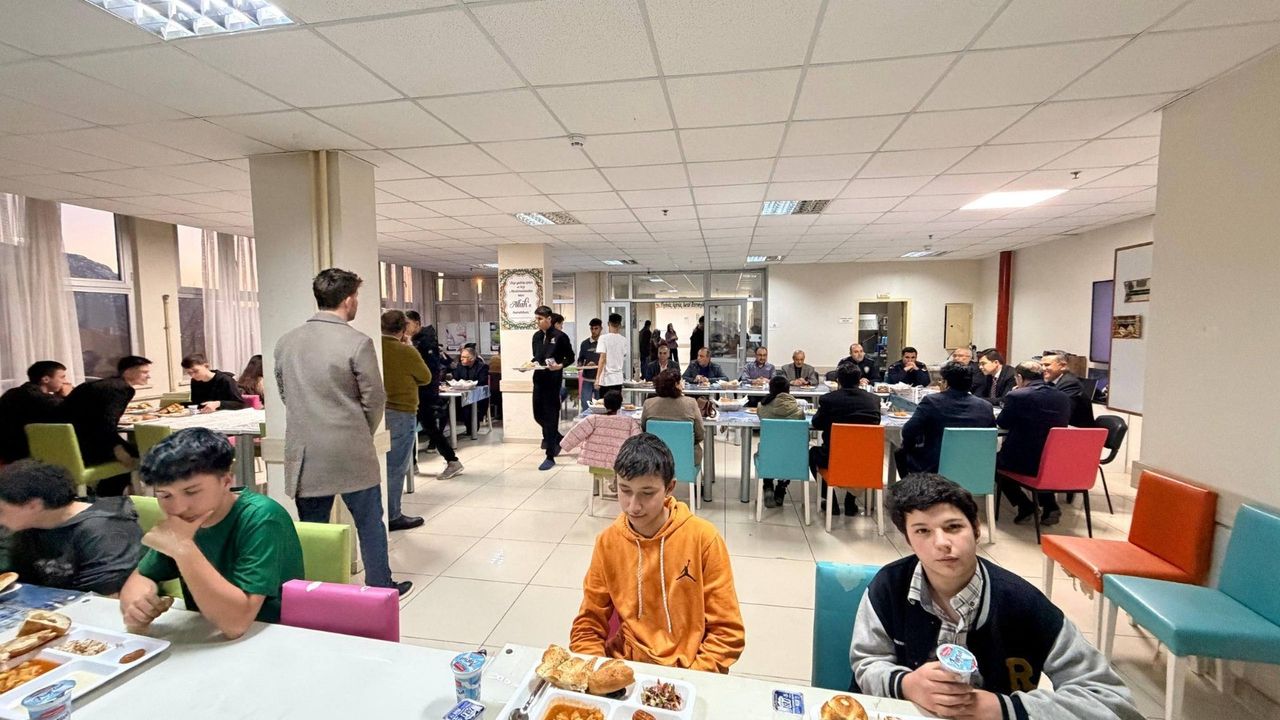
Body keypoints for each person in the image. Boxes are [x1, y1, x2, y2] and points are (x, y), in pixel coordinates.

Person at [850, 474, 1142, 720]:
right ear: (908, 540)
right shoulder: (889, 587)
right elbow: (867, 661)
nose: (942, 543)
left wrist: (1005, 708)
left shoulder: (1023, 604)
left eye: (953, 527)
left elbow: (1110, 700)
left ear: (976, 529)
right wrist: (906, 684)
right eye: (923, 531)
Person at [274, 268, 409, 596]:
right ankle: (379, 585)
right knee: (369, 522)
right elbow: (374, 398)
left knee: (312, 530)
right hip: (350, 449)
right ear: (348, 300)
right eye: (357, 296)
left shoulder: (286, 342)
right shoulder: (357, 342)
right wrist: (359, 429)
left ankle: (314, 591)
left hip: (305, 452)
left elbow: (284, 392)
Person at [569, 433, 744, 672]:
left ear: (669, 488)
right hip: (626, 667)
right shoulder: (608, 542)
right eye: (625, 490)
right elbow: (588, 625)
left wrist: (690, 679)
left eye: (647, 493)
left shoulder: (703, 539)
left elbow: (728, 632)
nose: (633, 506)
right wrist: (599, 673)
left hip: (691, 668)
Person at [119, 429, 305, 638]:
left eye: (191, 492)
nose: (179, 507)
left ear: (226, 481)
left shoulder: (261, 518)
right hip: (207, 633)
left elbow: (236, 624)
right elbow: (141, 577)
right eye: (165, 495)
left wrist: (183, 549)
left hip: (270, 635)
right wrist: (137, 605)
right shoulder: (183, 524)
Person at [0, 459, 142, 595]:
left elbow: (105, 599)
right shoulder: (27, 526)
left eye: (1, 511)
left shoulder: (105, 532)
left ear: (33, 506)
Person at [60, 355, 152, 494]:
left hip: (67, 445)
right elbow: (106, 422)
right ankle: (112, 496)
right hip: (87, 447)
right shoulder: (121, 389)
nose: (148, 376)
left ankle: (111, 494)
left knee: (130, 450)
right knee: (141, 454)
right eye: (144, 372)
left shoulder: (100, 384)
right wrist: (117, 448)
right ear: (128, 372)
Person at [996, 361, 1072, 526]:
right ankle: (1050, 506)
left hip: (1022, 459)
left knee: (993, 465)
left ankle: (1025, 506)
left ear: (1019, 377)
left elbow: (1003, 422)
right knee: (1038, 465)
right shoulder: (1062, 397)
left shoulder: (1017, 396)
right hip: (1053, 459)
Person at [895, 361, 997, 477]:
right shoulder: (986, 407)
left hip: (934, 467)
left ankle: (911, 487)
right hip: (974, 467)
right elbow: (990, 437)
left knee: (900, 452)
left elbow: (908, 431)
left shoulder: (931, 401)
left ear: (946, 382)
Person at [380, 310, 429, 532]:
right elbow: (425, 377)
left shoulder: (372, 347)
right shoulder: (405, 351)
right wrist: (408, 346)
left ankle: (380, 513)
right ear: (403, 329)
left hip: (377, 412)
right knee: (395, 466)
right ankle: (393, 515)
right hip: (401, 411)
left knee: (379, 465)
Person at [810, 364, 881, 516]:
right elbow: (876, 423)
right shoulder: (873, 400)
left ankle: (831, 501)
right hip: (865, 460)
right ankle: (850, 501)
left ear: (838, 380)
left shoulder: (829, 400)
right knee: (857, 453)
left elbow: (817, 423)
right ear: (859, 380)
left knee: (813, 454)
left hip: (834, 457)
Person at [559, 391, 640, 488]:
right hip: (618, 463)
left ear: (604, 404)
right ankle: (615, 486)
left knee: (597, 474)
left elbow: (577, 432)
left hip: (595, 462)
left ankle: (597, 490)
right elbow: (638, 439)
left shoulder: (594, 419)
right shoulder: (629, 421)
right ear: (620, 405)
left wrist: (565, 445)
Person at [410, 324, 462, 473]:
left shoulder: (424, 345)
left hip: (423, 395)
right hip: (421, 394)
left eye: (408, 324)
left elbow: (428, 374)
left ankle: (451, 460)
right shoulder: (421, 344)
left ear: (416, 323)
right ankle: (412, 464)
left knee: (426, 428)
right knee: (420, 429)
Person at [0, 361, 71, 464]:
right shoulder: (40, 399)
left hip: (7, 451)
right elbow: (67, 414)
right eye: (62, 377)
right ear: (45, 379)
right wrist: (67, 396)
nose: (65, 381)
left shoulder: (12, 393)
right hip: (27, 455)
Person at [532, 305, 575, 471]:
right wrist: (529, 364)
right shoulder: (536, 337)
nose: (537, 322)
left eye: (540, 319)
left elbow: (570, 357)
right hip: (538, 380)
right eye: (536, 319)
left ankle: (550, 456)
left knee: (551, 417)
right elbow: (537, 357)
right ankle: (557, 437)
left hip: (552, 381)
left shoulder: (560, 336)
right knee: (538, 415)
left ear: (549, 319)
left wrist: (560, 366)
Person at [640, 369, 704, 468]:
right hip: (687, 458)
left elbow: (645, 430)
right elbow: (700, 434)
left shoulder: (648, 404)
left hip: (655, 458)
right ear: (676, 385)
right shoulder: (691, 403)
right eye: (681, 381)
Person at [757, 375, 804, 508]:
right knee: (789, 451)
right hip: (791, 456)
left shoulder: (762, 407)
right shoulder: (798, 410)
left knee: (768, 449)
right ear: (788, 390)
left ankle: (768, 485)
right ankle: (781, 487)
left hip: (769, 454)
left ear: (770, 389)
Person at [181, 354, 247, 413]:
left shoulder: (225, 380)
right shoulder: (195, 381)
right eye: (189, 373)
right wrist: (180, 405)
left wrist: (218, 403)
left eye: (196, 371)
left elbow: (240, 404)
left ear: (206, 366)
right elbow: (197, 403)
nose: (193, 375)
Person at [452, 346, 490, 439]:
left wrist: (468, 384)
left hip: (479, 394)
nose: (461, 359)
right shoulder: (459, 366)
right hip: (462, 393)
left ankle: (472, 428)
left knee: (468, 404)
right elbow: (456, 379)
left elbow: (482, 382)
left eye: (464, 357)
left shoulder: (482, 367)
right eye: (461, 357)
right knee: (451, 403)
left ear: (472, 358)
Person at [595, 313, 629, 400]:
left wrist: (597, 378)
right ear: (620, 325)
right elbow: (624, 355)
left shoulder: (603, 338)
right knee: (616, 404)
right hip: (618, 378)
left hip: (606, 379)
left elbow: (602, 358)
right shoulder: (624, 340)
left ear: (608, 323)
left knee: (604, 404)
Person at [577, 318, 602, 412]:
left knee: (600, 405)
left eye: (596, 328)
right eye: (592, 328)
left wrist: (596, 364)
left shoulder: (603, 343)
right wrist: (580, 365)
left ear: (601, 328)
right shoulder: (584, 344)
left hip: (600, 379)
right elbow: (581, 359)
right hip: (587, 378)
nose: (593, 331)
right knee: (585, 403)